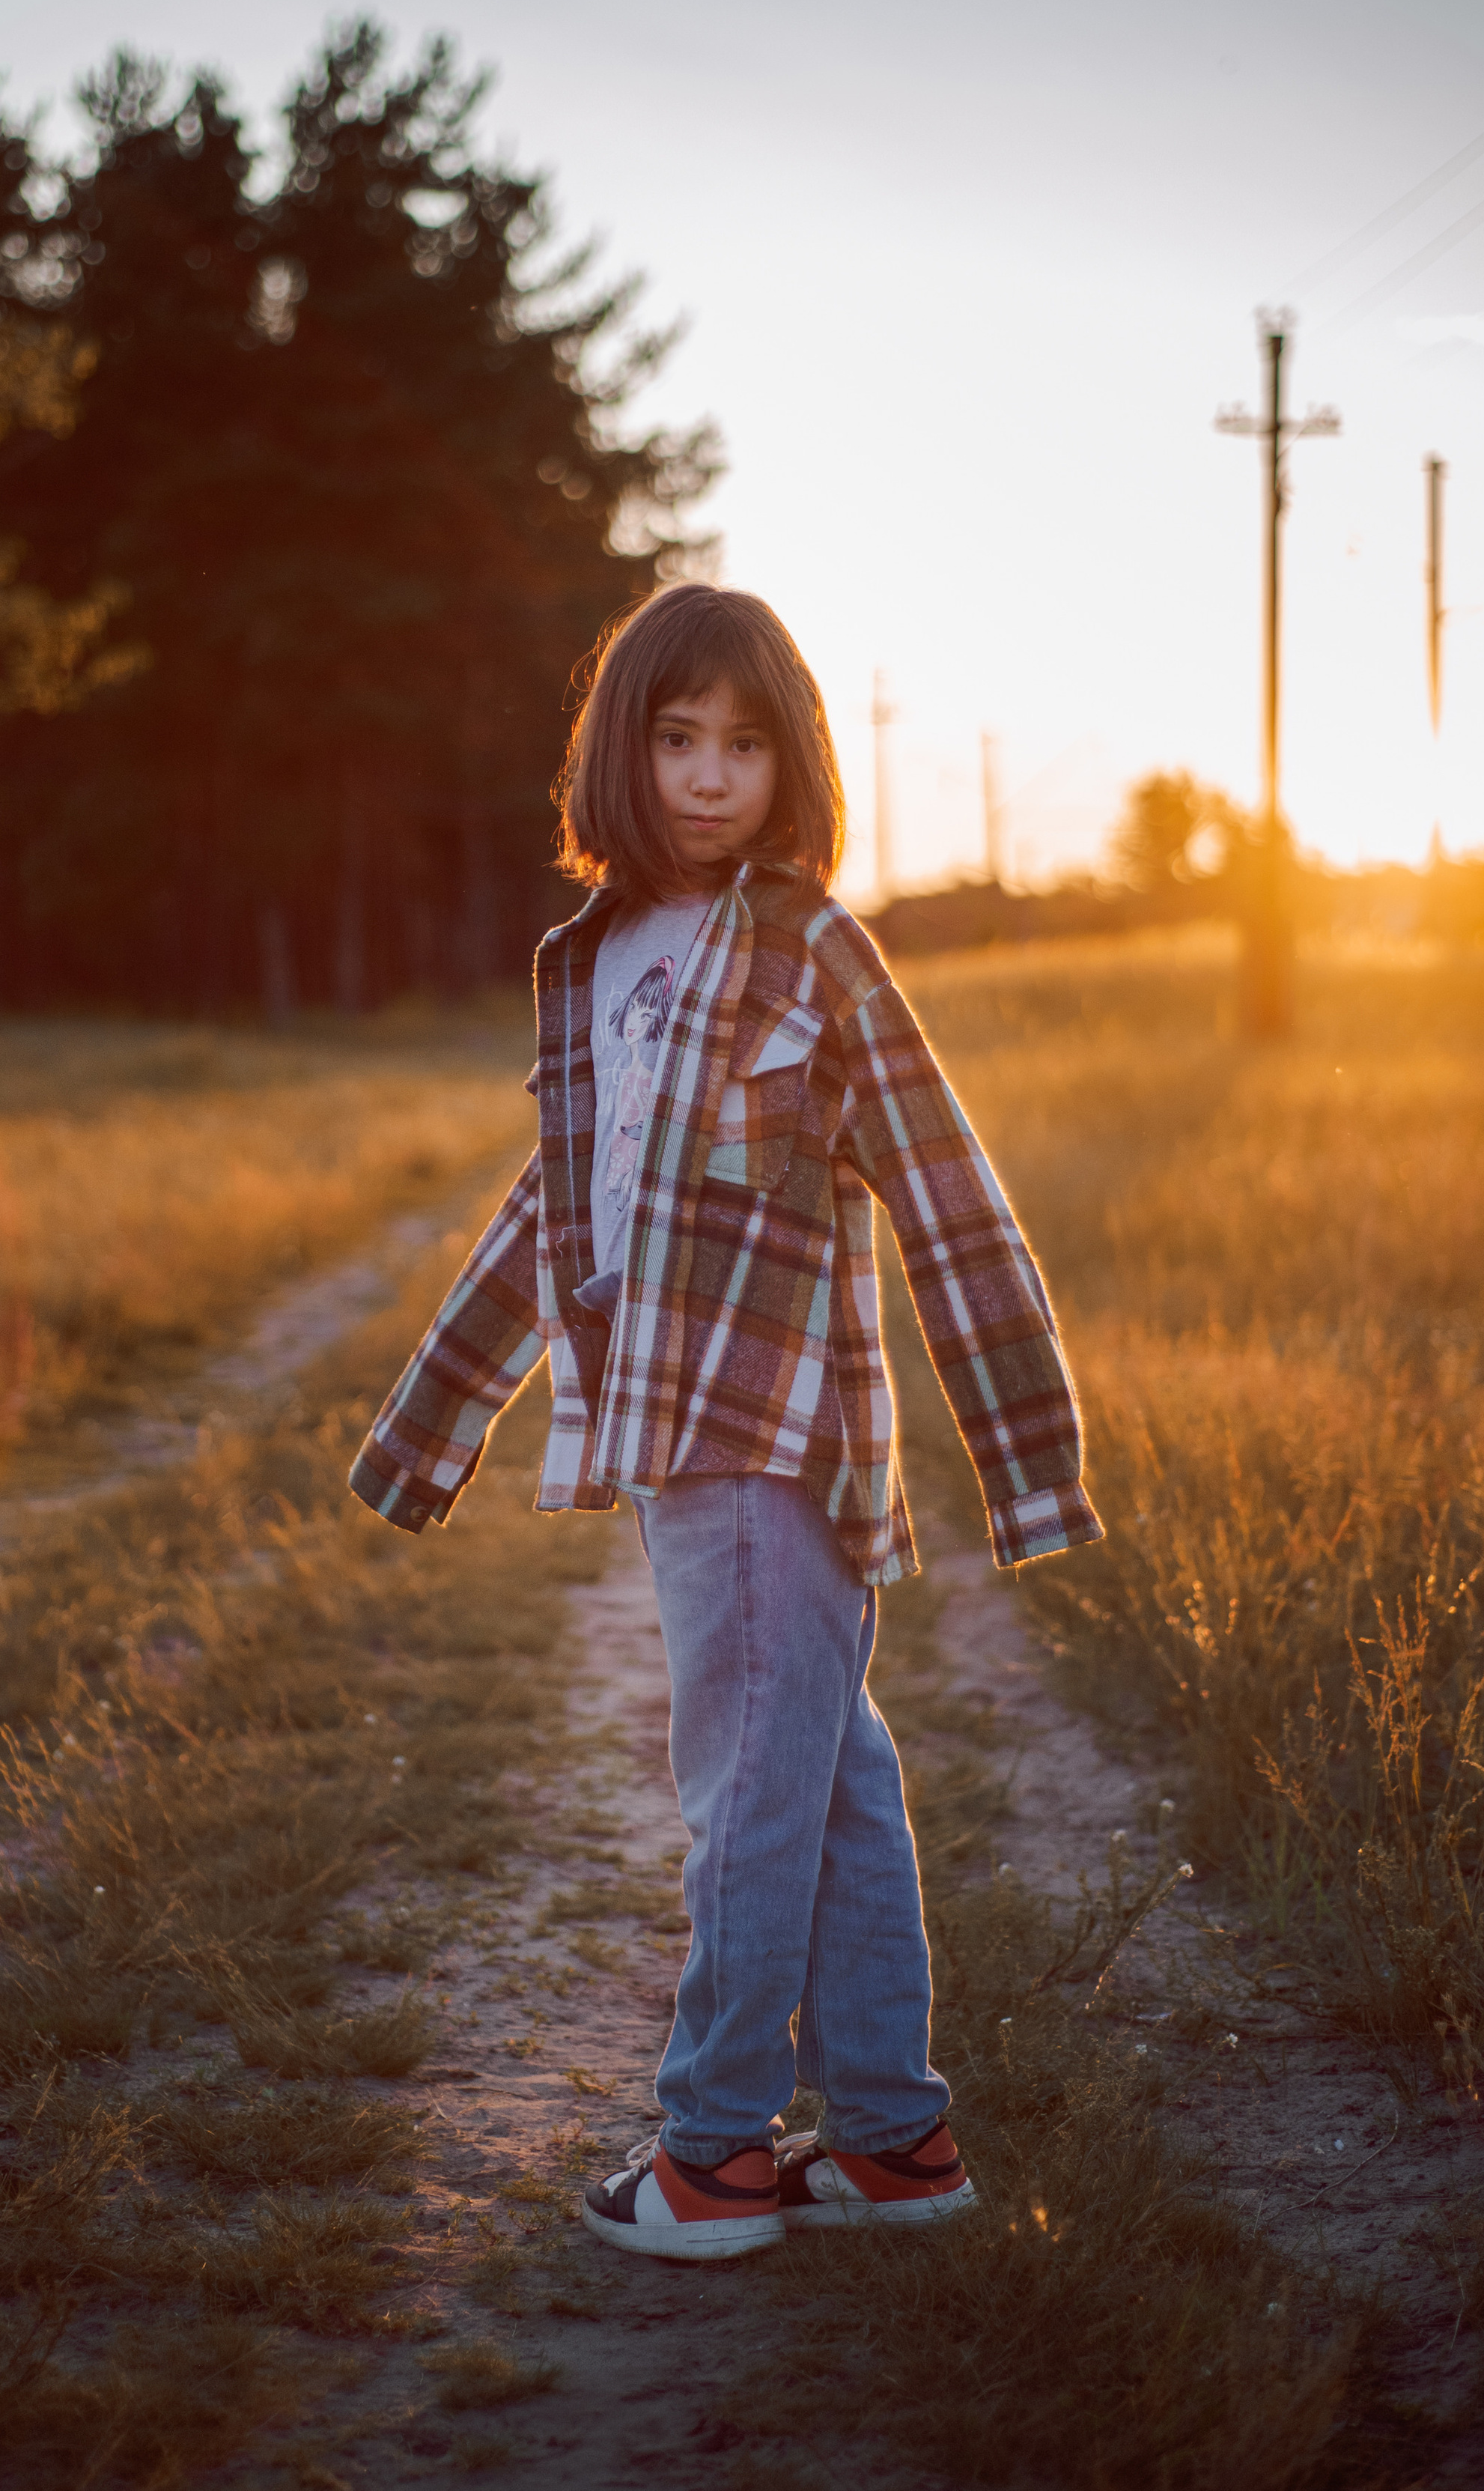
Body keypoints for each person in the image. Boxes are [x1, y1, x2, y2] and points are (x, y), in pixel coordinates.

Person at [349, 583, 1104, 2261]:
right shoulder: (594, 959)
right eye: (674, 739)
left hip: (774, 1435)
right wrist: (429, 1427)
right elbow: (557, 1215)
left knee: (748, 1790)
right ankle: (895, 2144)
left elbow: (944, 1189)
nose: (705, 776)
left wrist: (1023, 1461)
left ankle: (708, 2157)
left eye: (743, 744)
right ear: (618, 754)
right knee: (821, 1777)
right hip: (660, 1436)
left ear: (792, 763)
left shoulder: (812, 950)